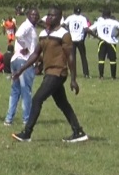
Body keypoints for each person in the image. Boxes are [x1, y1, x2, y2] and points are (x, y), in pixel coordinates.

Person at [10, 8, 88, 143]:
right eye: (49, 15)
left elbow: (71, 56)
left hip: (58, 73)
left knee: (37, 100)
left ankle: (27, 133)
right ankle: (78, 131)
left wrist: (73, 79)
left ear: (59, 18)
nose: (49, 17)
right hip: (49, 72)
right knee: (62, 103)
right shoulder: (44, 33)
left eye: (53, 15)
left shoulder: (64, 34)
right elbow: (35, 54)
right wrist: (21, 69)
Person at [5, 9, 39, 127]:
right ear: (27, 15)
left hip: (16, 60)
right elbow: (18, 35)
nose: (34, 16)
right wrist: (25, 47)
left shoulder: (31, 27)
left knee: (15, 90)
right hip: (24, 62)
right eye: (32, 14)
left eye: (36, 15)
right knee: (26, 91)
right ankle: (26, 119)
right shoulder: (27, 26)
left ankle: (9, 119)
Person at [92, 9, 119, 80]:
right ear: (110, 15)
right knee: (113, 60)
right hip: (111, 42)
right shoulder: (113, 22)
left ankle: (101, 76)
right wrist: (117, 35)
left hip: (102, 42)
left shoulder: (99, 22)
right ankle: (113, 77)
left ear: (102, 15)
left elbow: (88, 29)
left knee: (101, 59)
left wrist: (97, 37)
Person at [63, 7, 91, 78]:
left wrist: (67, 31)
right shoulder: (83, 18)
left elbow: (63, 24)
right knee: (83, 57)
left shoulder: (70, 17)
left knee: (72, 57)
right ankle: (86, 73)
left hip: (72, 39)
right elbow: (85, 28)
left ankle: (73, 73)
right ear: (80, 11)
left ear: (74, 11)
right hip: (80, 40)